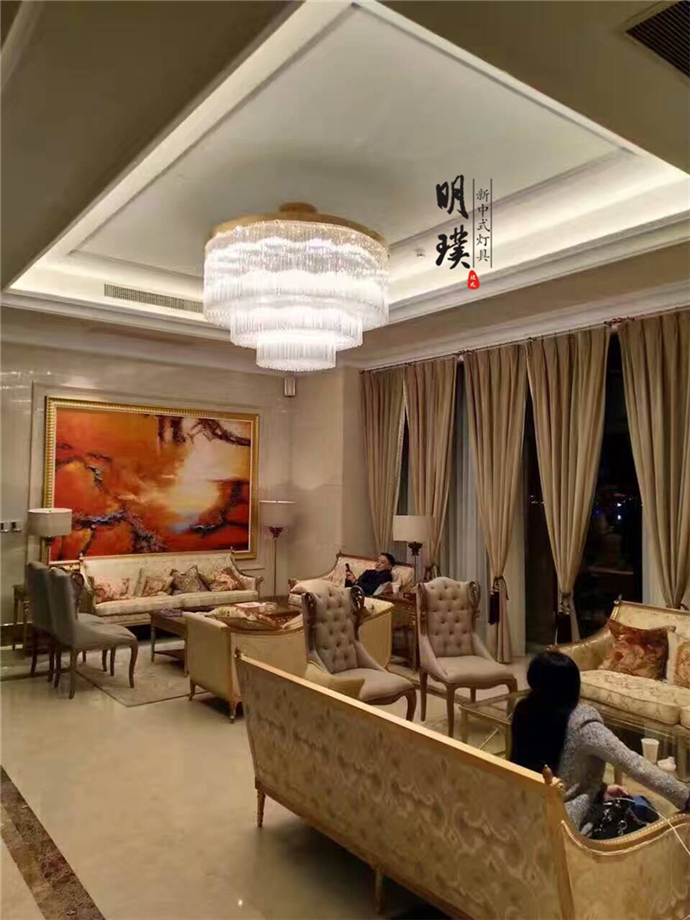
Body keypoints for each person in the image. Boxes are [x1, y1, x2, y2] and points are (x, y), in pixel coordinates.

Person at [510, 651, 690, 834]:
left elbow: (548, 769)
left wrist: (601, 789)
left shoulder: (523, 710)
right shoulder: (583, 723)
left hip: (524, 817)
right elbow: (633, 764)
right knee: (643, 808)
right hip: (565, 826)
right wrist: (685, 796)